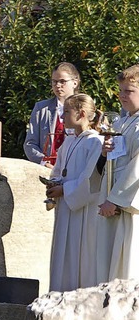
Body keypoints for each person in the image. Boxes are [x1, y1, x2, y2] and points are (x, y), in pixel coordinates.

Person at [45, 94, 104, 292]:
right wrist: (53, 184)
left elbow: (91, 179)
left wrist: (66, 190)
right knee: (61, 256)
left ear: (81, 114)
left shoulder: (96, 142)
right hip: (65, 208)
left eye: (66, 112)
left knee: (80, 258)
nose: (62, 116)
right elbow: (59, 169)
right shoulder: (69, 142)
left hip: (83, 211)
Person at [96, 65, 139, 282]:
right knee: (108, 268)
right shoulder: (121, 122)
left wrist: (115, 200)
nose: (122, 96)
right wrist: (104, 153)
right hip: (111, 201)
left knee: (127, 267)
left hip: (127, 207)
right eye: (120, 90)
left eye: (128, 91)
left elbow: (137, 167)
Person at [24, 62, 81, 166]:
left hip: (75, 169)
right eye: (54, 82)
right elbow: (30, 144)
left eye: (62, 81)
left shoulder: (84, 108)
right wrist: (44, 162)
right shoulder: (41, 109)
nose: (58, 85)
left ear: (75, 82)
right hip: (47, 170)